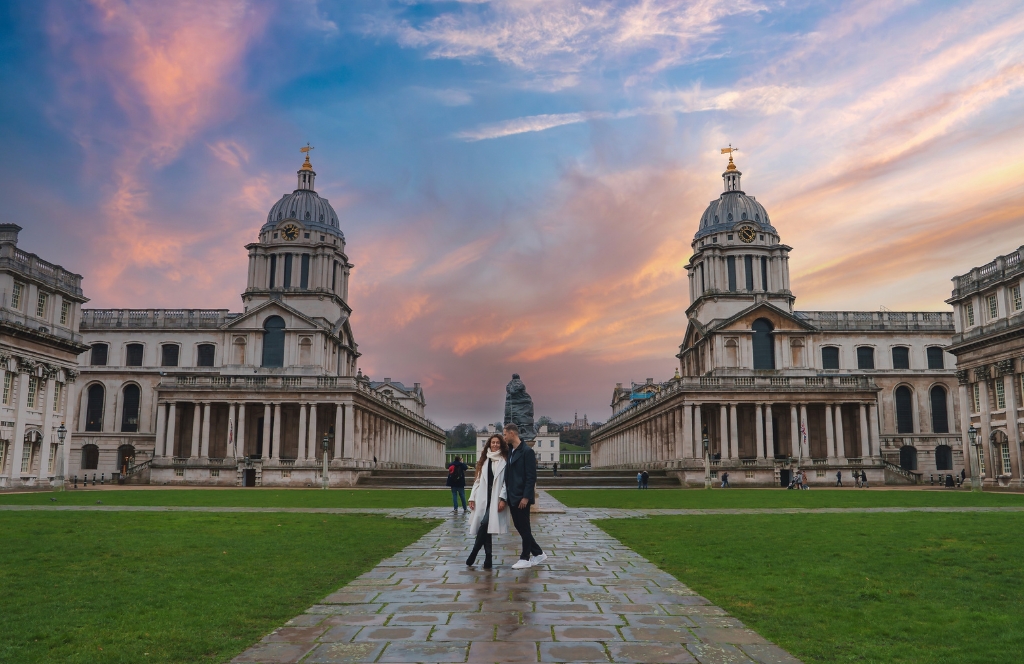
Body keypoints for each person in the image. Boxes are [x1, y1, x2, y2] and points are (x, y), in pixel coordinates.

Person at [502, 423, 545, 569]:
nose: (504, 437)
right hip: (512, 495)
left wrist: (526, 497)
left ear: (512, 433)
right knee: (520, 527)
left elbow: (531, 476)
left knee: (524, 528)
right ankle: (538, 553)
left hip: (521, 497)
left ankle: (525, 558)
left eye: (505, 434)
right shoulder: (510, 451)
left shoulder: (527, 451)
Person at [466, 434, 509, 569]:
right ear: (489, 444)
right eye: (493, 443)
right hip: (483, 497)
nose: (495, 445)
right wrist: (472, 497)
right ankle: (488, 559)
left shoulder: (505, 460)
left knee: (484, 524)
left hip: (496, 497)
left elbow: (507, 482)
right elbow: (477, 481)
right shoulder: (484, 460)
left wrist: (503, 499)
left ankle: (474, 552)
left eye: (497, 443)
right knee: (487, 528)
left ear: (501, 444)